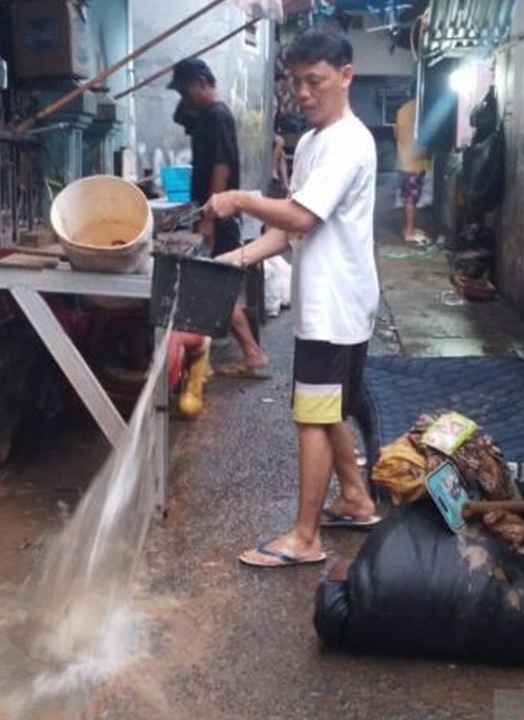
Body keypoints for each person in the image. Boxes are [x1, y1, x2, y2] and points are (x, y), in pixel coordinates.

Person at [203, 29, 380, 568]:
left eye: (315, 81)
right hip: (328, 302)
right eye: (295, 82)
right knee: (325, 409)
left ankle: (305, 537)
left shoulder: (349, 142)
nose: (303, 93)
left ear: (346, 76)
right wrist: (229, 263)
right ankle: (354, 497)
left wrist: (241, 197)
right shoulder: (310, 143)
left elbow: (300, 216)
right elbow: (288, 233)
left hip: (336, 305)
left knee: (312, 414)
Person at [169, 57, 269, 377]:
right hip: (214, 210)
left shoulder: (217, 115)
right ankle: (213, 358)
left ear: (201, 82)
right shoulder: (204, 117)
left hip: (220, 214)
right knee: (211, 281)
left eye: (185, 91)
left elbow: (221, 166)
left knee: (214, 282)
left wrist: (210, 215)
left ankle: (251, 353)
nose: (183, 98)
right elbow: (180, 118)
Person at [394, 81, 429, 243]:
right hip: (416, 163)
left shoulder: (403, 110)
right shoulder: (423, 110)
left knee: (408, 197)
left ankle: (408, 228)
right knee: (411, 199)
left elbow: (397, 133)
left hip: (404, 161)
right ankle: (408, 232)